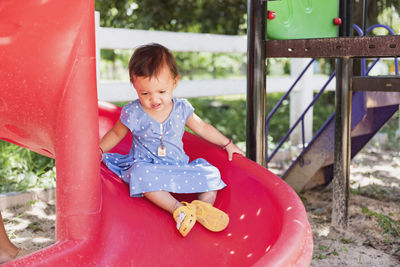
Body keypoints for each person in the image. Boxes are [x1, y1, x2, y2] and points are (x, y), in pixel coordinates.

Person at [100, 43, 244, 237]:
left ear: (174, 83)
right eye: (145, 93)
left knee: (211, 174)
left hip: (178, 167)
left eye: (161, 92)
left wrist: (227, 144)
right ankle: (178, 209)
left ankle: (201, 208)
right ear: (134, 85)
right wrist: (99, 150)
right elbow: (116, 134)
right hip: (148, 167)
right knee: (139, 175)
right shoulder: (133, 112)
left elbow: (202, 127)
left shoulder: (181, 108)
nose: (154, 99)